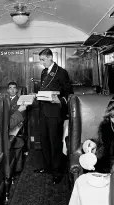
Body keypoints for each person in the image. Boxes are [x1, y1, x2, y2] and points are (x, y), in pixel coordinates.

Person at [34, 48, 73, 184]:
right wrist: (37, 95)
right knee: (44, 141)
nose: (42, 63)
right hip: (43, 111)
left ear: (51, 57)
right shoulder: (44, 72)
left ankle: (57, 171)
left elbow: (69, 94)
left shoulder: (62, 72)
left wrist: (60, 100)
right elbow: (44, 90)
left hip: (55, 112)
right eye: (41, 60)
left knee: (55, 142)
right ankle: (48, 167)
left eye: (43, 60)